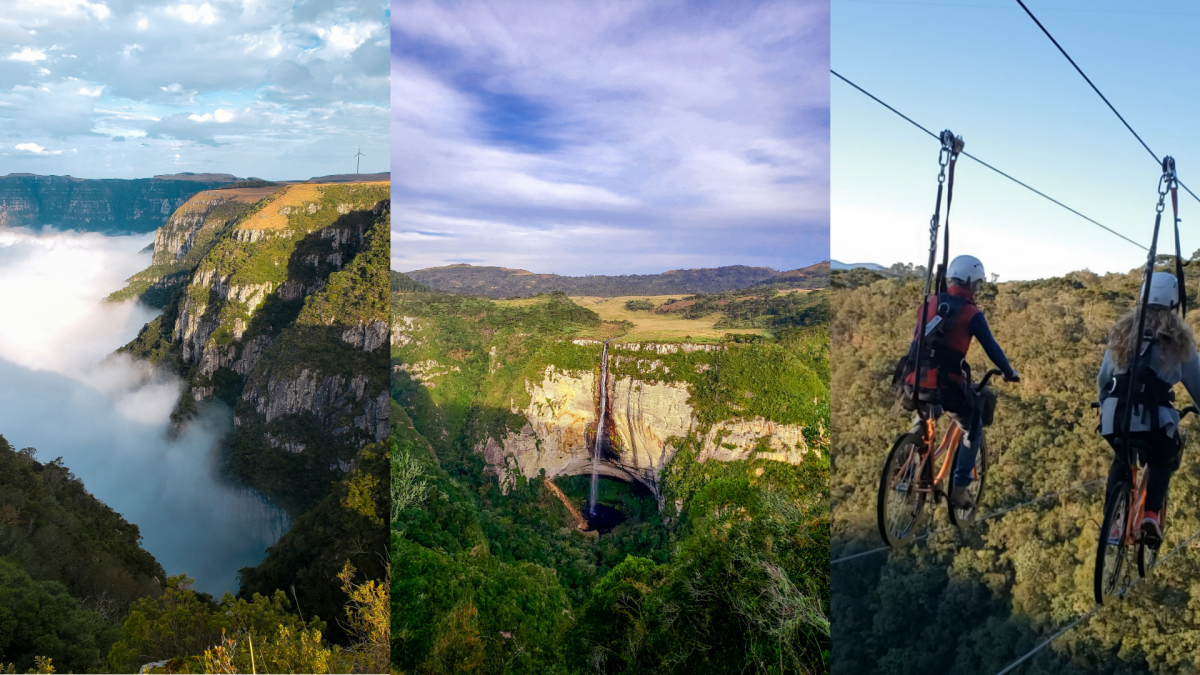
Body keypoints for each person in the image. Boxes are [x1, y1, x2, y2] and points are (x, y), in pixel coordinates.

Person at [902, 254, 1020, 510]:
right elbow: (993, 349)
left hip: (913, 381)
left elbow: (916, 341)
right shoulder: (971, 313)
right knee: (972, 427)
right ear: (970, 282)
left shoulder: (928, 304)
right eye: (977, 284)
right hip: (946, 387)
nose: (977, 288)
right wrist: (1009, 372)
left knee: (925, 411)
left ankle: (908, 456)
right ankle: (960, 488)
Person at [1098, 272, 1200, 547]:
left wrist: (1102, 404)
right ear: (1174, 301)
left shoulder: (1123, 333)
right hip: (1155, 421)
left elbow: (1104, 378)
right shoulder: (1180, 340)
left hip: (1114, 416)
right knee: (1162, 459)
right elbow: (1197, 385)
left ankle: (1113, 524)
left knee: (1121, 459)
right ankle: (1152, 515)